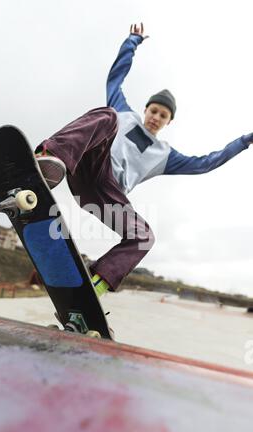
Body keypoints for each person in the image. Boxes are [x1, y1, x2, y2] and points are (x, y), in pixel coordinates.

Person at [35, 23, 253, 298]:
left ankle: (97, 285)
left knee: (144, 236)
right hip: (87, 165)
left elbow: (205, 163)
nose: (155, 118)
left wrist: (244, 141)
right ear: (145, 109)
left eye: (163, 115)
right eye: (153, 111)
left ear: (169, 121)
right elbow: (116, 78)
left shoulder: (166, 155)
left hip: (108, 195)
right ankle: (49, 159)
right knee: (108, 115)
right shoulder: (125, 113)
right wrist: (132, 42)